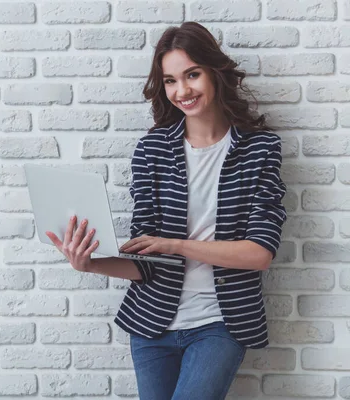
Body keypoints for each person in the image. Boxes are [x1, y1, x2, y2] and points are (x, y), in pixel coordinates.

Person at [45, 21, 287, 400]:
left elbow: (258, 254)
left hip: (220, 325)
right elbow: (147, 258)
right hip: (151, 326)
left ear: (215, 72)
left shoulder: (260, 149)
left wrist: (175, 244)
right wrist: (90, 264)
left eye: (192, 74)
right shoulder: (152, 151)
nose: (182, 90)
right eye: (171, 80)